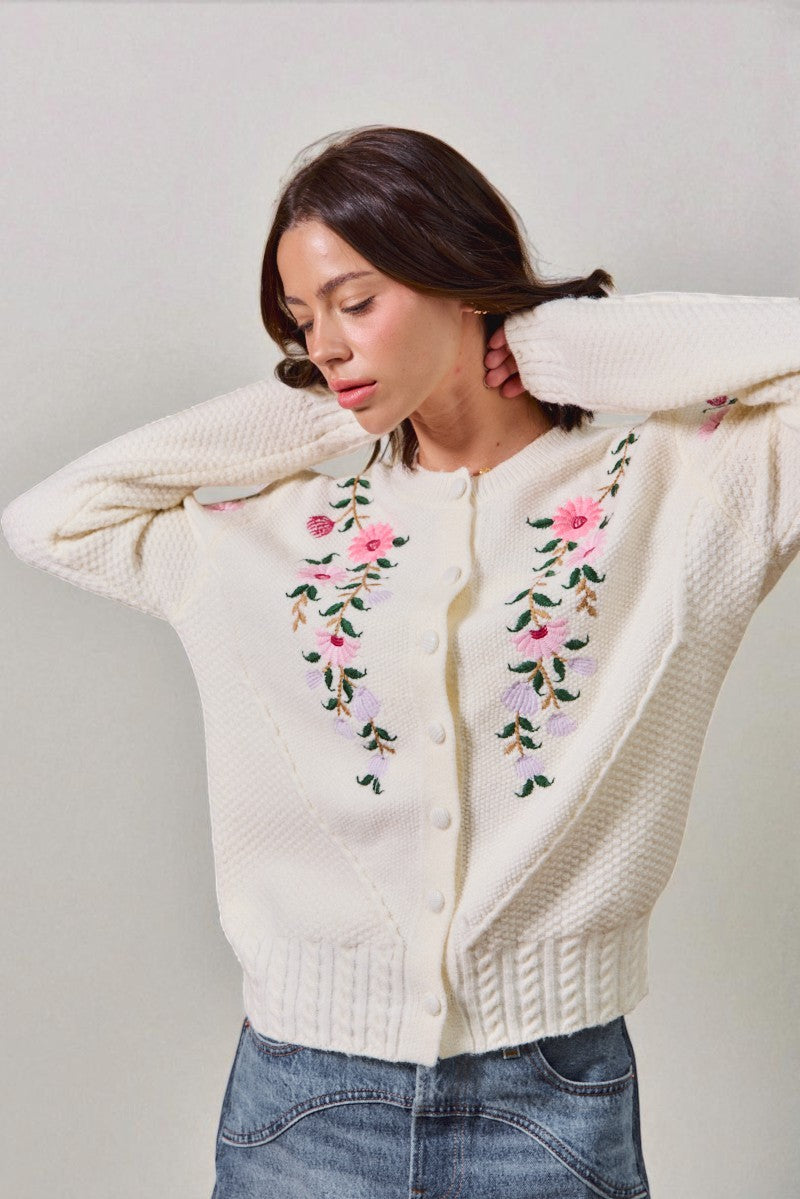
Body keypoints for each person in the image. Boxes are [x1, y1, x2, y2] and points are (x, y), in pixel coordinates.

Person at [3, 124, 799, 1199]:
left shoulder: (678, 490)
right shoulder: (264, 532)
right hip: (302, 1102)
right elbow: (54, 517)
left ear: (455, 279)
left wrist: (568, 342)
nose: (325, 342)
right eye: (300, 320)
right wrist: (310, 406)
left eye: (355, 299)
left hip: (552, 1096)